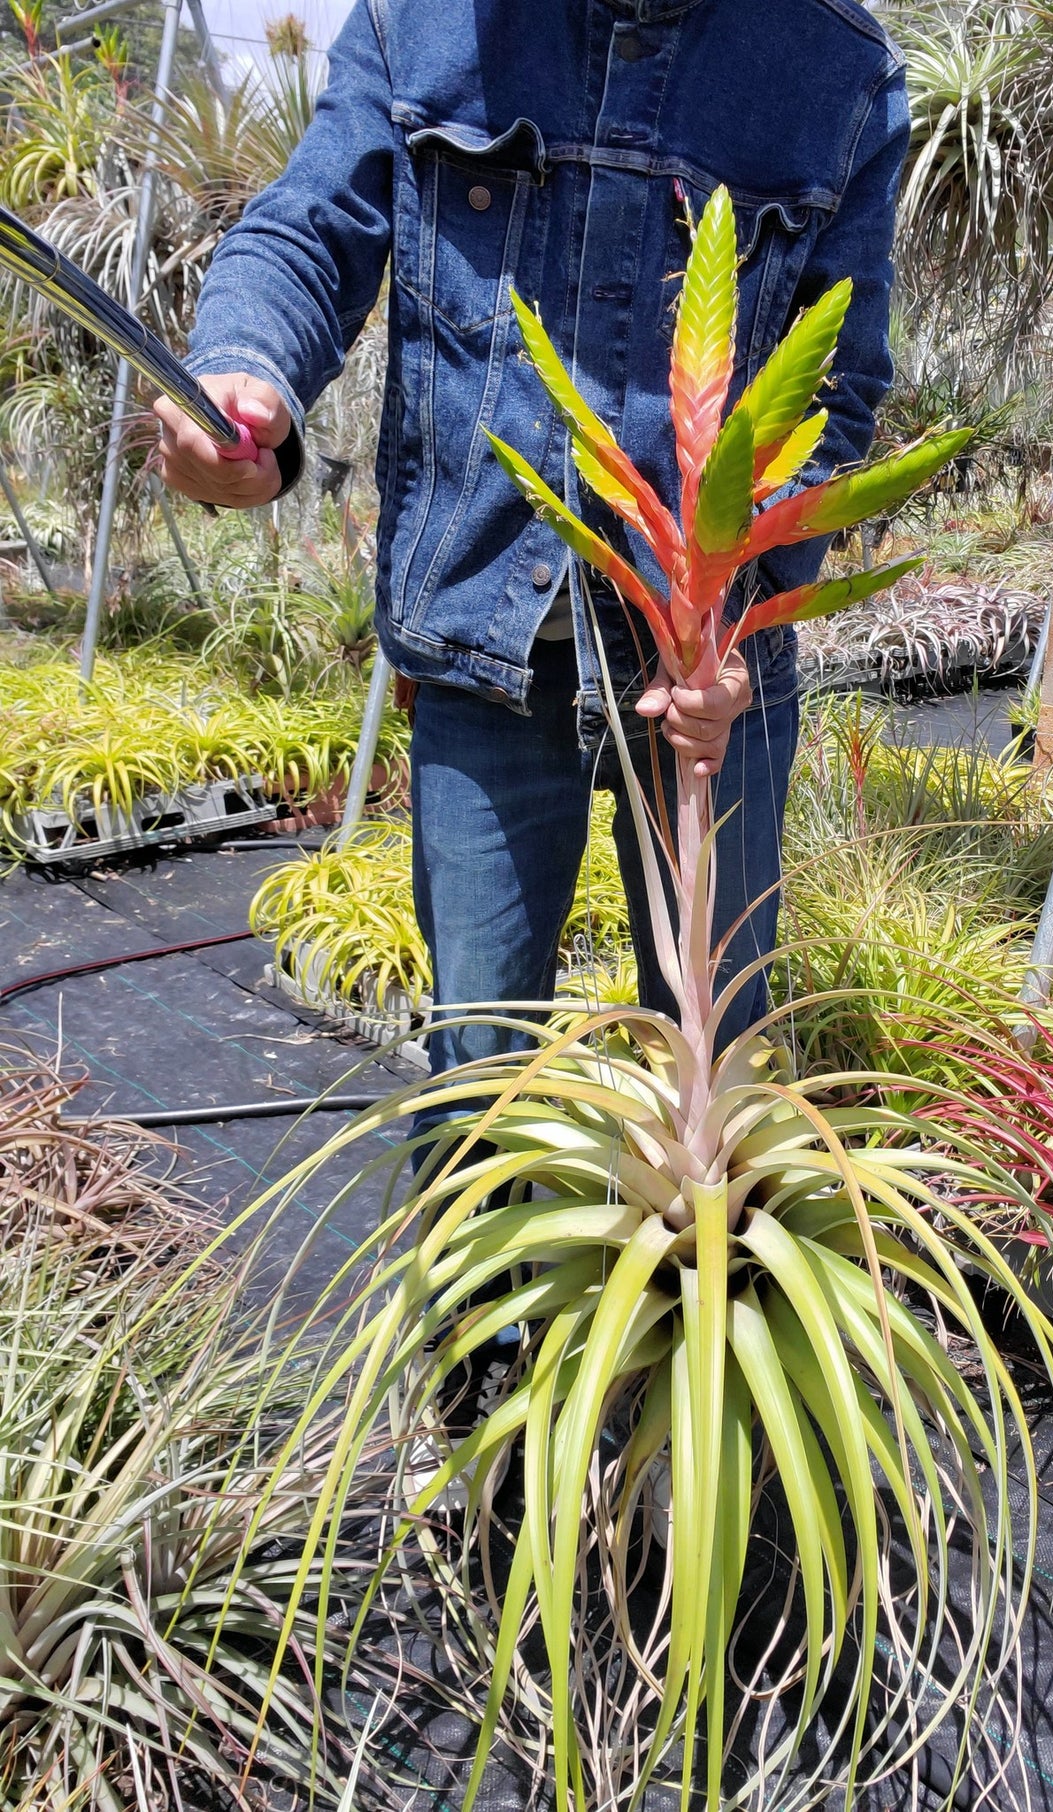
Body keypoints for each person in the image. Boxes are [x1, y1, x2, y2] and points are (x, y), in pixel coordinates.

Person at [156, 0, 908, 1077]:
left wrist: (733, 629)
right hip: (485, 640)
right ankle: (486, 1248)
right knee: (478, 1070)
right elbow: (311, 229)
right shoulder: (421, 23)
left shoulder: (833, 67)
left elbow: (836, 387)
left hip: (710, 674)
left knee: (716, 1065)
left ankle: (708, 1242)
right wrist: (243, 370)